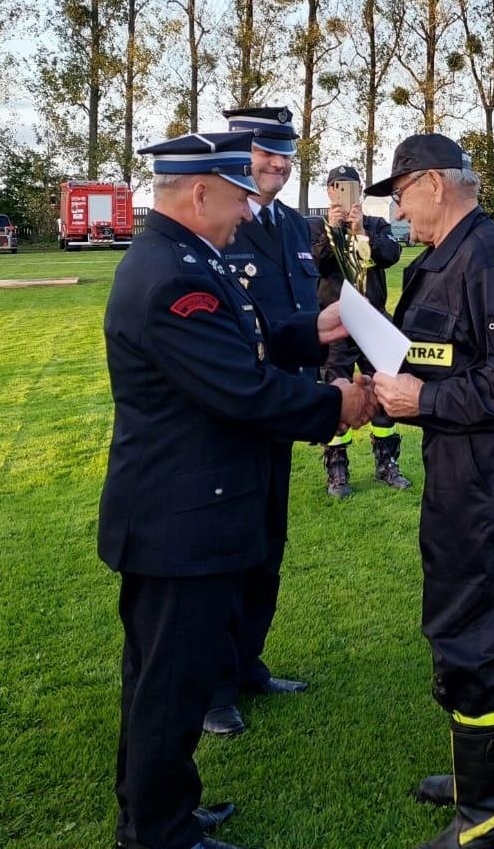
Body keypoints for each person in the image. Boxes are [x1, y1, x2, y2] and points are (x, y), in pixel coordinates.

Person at [100, 130, 372, 849]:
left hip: (186, 512)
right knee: (169, 686)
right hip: (179, 521)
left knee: (167, 680)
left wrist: (318, 327)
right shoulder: (173, 277)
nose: (248, 213)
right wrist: (338, 405)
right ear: (199, 193)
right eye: (237, 198)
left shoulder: (186, 256)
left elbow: (248, 338)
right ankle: (157, 834)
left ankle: (162, 812)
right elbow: (243, 388)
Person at [367, 134, 494, 849]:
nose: (395, 206)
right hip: (459, 463)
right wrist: (390, 389)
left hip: (488, 470)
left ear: (433, 183)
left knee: (467, 631)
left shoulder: (488, 259)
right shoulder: (442, 259)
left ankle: (489, 819)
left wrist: (427, 402)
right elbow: (434, 358)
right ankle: (492, 775)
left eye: (399, 190)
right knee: (467, 618)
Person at [200, 105, 320, 737]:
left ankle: (247, 663)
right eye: (265, 153)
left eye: (284, 154)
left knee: (268, 546)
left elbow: (300, 315)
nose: (277, 164)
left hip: (282, 410)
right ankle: (215, 687)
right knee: (230, 551)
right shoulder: (218, 225)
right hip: (236, 413)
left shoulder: (295, 223)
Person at [308, 163, 406, 496]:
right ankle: (337, 468)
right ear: (328, 191)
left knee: (383, 392)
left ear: (359, 191)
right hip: (335, 326)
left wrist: (361, 230)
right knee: (335, 392)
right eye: (336, 186)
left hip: (373, 321)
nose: (342, 192)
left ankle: (386, 464)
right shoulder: (317, 228)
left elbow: (391, 255)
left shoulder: (377, 225)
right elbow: (316, 265)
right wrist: (332, 232)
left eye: (348, 187)